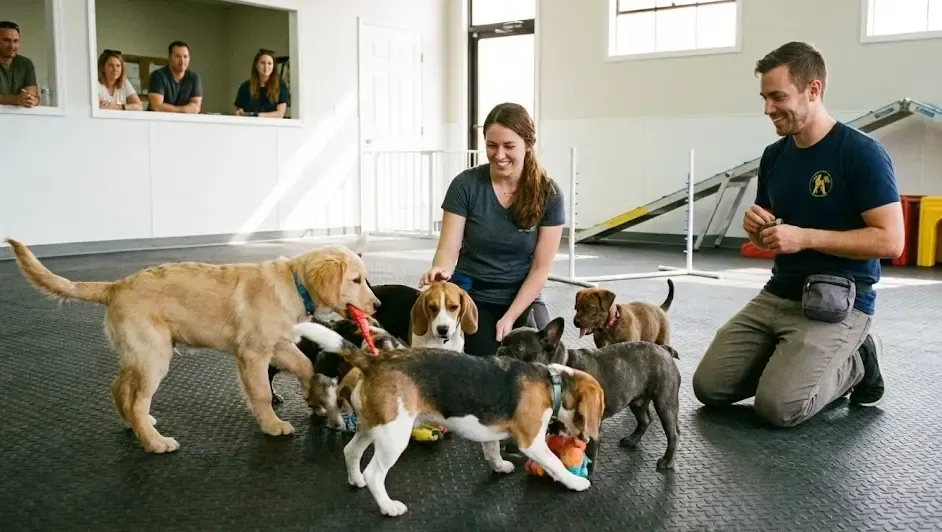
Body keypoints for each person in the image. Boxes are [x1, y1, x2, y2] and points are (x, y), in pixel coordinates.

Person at [691, 41, 904, 428]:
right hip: (780, 293)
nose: (768, 109)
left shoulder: (860, 153)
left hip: (840, 298)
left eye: (777, 97)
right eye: (764, 98)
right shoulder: (775, 155)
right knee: (710, 388)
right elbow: (776, 234)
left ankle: (858, 361)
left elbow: (891, 241)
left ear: (813, 90)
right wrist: (759, 233)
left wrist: (805, 238)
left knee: (779, 409)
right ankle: (793, 361)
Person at [419, 102, 565, 357]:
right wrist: (440, 269)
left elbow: (541, 269)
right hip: (473, 295)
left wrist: (511, 316)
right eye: (491, 145)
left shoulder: (549, 194)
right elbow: (448, 248)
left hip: (522, 295)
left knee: (548, 357)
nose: (499, 155)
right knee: (487, 367)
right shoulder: (465, 185)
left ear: (528, 144)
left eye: (509, 146)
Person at [147, 41, 202, 114]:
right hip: (159, 122)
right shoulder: (157, 75)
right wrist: (184, 110)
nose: (182, 61)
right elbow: (156, 106)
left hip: (183, 123)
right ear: (169, 58)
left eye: (185, 57)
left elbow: (196, 107)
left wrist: (172, 109)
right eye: (178, 56)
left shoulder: (194, 78)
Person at [234, 49, 289, 118]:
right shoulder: (244, 87)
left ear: (273, 66)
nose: (266, 67)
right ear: (256, 65)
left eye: (269, 63)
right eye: (262, 63)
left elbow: (280, 114)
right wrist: (239, 113)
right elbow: (239, 112)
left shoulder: (281, 85)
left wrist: (257, 115)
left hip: (272, 128)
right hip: (250, 127)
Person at [0, 20, 38, 108]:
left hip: (19, 118)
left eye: (16, 41)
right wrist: (17, 99)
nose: (12, 46)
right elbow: (19, 99)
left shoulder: (26, 63)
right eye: (6, 40)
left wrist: (32, 100)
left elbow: (31, 94)